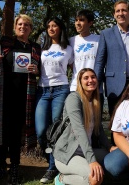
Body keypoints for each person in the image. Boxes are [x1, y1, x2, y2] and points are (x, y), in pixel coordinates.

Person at [0, 14, 41, 185]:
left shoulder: (35, 48)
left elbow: (41, 70)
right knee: (1, 131)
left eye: (27, 25)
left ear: (31, 29)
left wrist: (36, 70)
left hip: (24, 97)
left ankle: (15, 167)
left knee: (16, 133)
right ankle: (1, 165)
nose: (23, 27)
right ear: (15, 27)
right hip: (3, 95)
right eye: (20, 24)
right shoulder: (5, 43)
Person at [54, 68, 112, 185]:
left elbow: (99, 129)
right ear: (80, 82)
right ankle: (61, 178)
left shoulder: (95, 101)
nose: (90, 80)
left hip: (86, 151)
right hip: (68, 154)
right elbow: (78, 129)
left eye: (93, 77)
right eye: (86, 78)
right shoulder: (73, 98)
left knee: (115, 160)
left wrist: (109, 147)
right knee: (95, 179)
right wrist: (92, 161)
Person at [94, 0, 129, 116]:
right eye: (117, 11)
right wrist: (96, 85)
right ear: (114, 15)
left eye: (124, 10)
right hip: (115, 84)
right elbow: (100, 61)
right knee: (116, 119)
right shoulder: (106, 34)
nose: (120, 13)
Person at [35, 17, 73, 184]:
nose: (51, 28)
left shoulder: (69, 49)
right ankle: (51, 158)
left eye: (54, 25)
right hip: (43, 90)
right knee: (41, 131)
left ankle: (52, 168)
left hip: (61, 90)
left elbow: (75, 68)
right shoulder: (41, 48)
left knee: (56, 130)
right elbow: (38, 70)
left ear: (60, 28)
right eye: (48, 26)